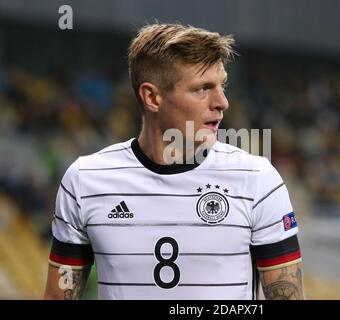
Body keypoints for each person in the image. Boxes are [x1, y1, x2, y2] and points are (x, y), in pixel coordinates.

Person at [43, 23, 304, 300]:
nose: (222, 102)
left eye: (221, 85)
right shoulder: (85, 180)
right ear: (152, 97)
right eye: (203, 88)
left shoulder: (257, 180)